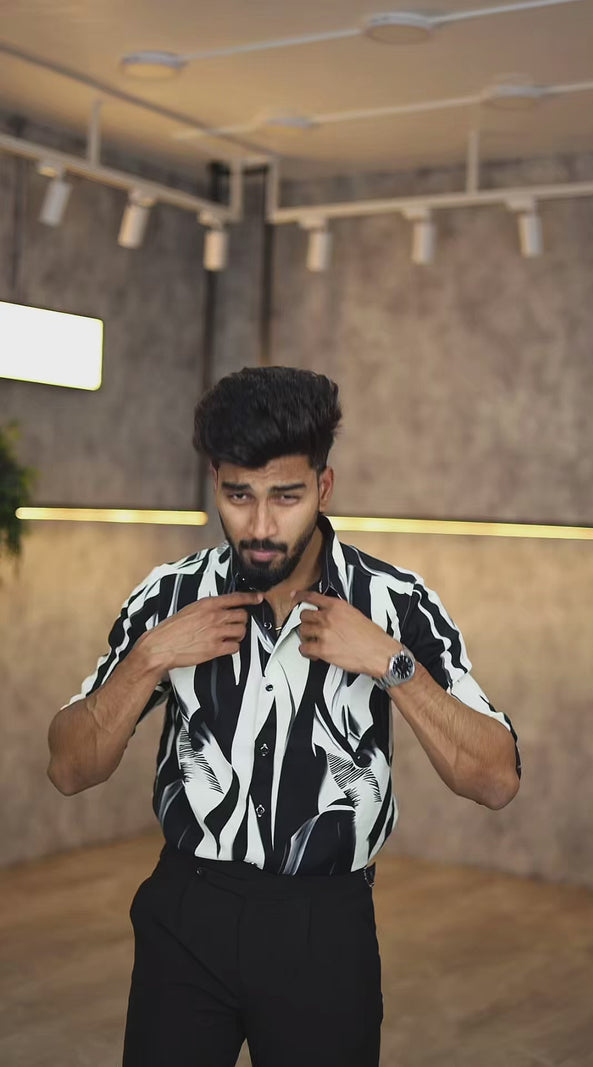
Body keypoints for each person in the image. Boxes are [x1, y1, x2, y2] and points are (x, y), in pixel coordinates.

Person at [47, 366, 520, 1067]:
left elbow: (496, 779)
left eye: (286, 497)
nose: (261, 527)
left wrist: (391, 663)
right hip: (187, 912)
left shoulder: (395, 602)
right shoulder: (168, 595)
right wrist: (149, 658)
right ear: (215, 480)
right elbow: (68, 767)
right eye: (239, 495)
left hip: (324, 926)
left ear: (324, 487)